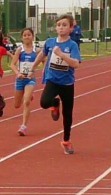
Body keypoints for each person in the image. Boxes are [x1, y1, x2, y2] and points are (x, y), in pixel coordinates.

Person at [29, 14, 81, 154]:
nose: (61, 28)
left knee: (67, 114)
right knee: (44, 102)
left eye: (64, 25)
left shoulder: (72, 45)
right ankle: (54, 104)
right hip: (52, 79)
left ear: (71, 28)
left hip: (67, 83)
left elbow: (76, 64)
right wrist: (33, 67)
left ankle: (66, 140)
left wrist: (62, 55)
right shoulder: (50, 42)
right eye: (59, 25)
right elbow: (42, 54)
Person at [10, 28, 38, 136]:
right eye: (25, 35)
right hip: (20, 79)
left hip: (30, 79)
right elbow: (12, 64)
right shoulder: (19, 50)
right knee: (17, 105)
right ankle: (28, 95)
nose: (27, 37)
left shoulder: (36, 50)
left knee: (26, 102)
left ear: (33, 36)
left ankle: (23, 126)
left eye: (29, 34)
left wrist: (34, 70)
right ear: (22, 38)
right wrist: (18, 73)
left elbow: (44, 60)